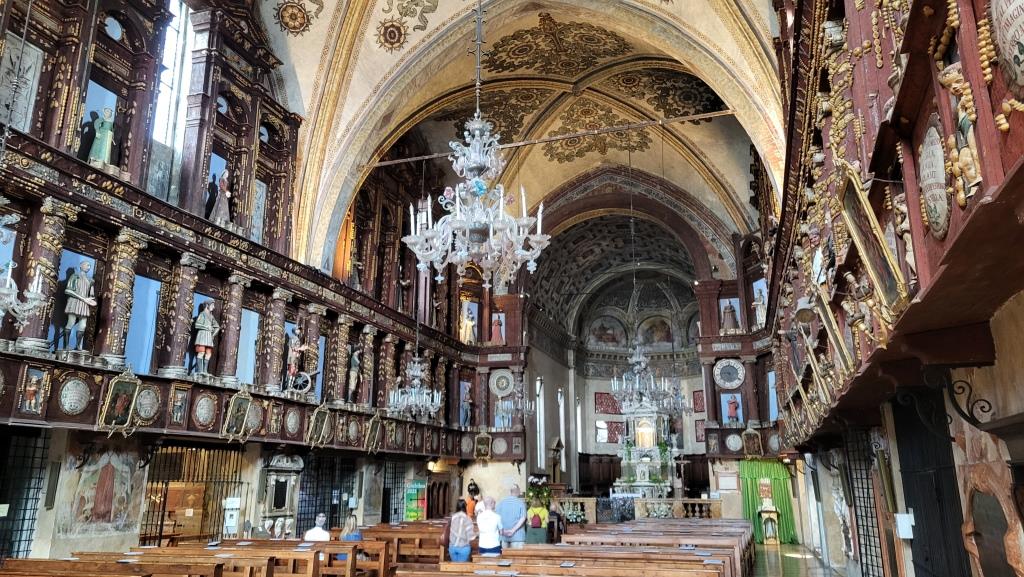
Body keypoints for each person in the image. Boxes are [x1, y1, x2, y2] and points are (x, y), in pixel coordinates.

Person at [496, 485, 527, 550]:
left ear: (510, 492)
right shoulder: (521, 503)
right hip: (518, 537)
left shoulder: (501, 502)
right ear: (518, 492)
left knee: (505, 556)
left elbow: (496, 517)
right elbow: (523, 518)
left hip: (504, 536)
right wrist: (513, 530)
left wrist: (503, 531)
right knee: (517, 556)